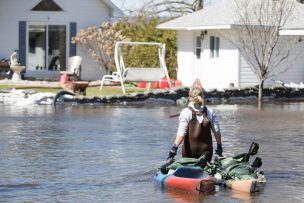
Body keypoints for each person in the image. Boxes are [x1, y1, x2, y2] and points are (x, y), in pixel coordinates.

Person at [167, 79, 223, 163]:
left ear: (189, 98)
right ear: (203, 97)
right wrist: (219, 146)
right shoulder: (210, 112)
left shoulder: (185, 112)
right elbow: (217, 131)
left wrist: (174, 149)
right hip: (206, 153)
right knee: (204, 171)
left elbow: (181, 133)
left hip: (189, 153)